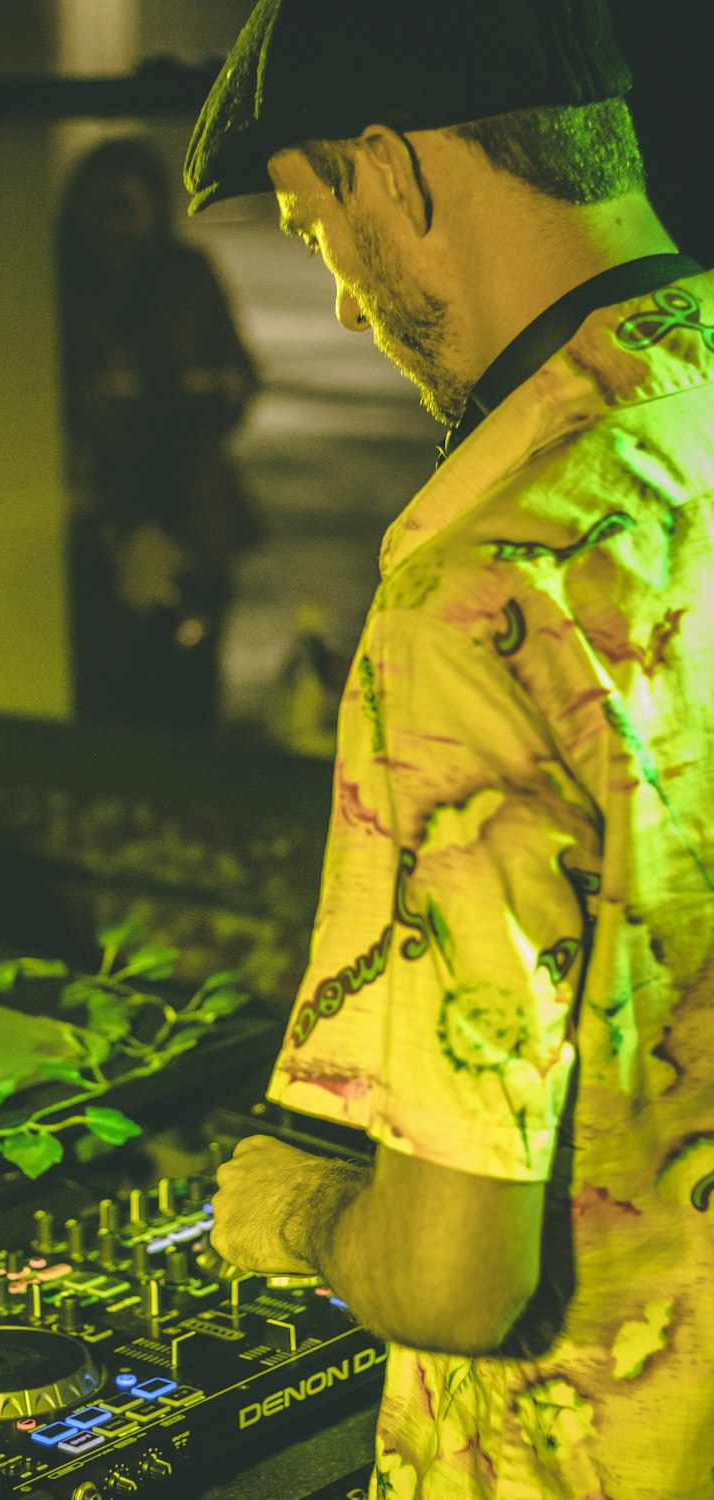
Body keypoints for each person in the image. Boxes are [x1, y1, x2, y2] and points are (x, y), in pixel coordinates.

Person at [183, 2, 714, 1496]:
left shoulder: (484, 591)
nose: (343, 300)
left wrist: (289, 1216)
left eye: (310, 229)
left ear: (392, 174)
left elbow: (453, 1276)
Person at [57, 136, 261, 735]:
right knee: (111, 685)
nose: (117, 225)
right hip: (98, 510)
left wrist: (216, 390)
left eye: (129, 206)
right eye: (105, 207)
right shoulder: (57, 282)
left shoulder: (184, 276)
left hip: (190, 501)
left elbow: (240, 374)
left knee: (190, 676)